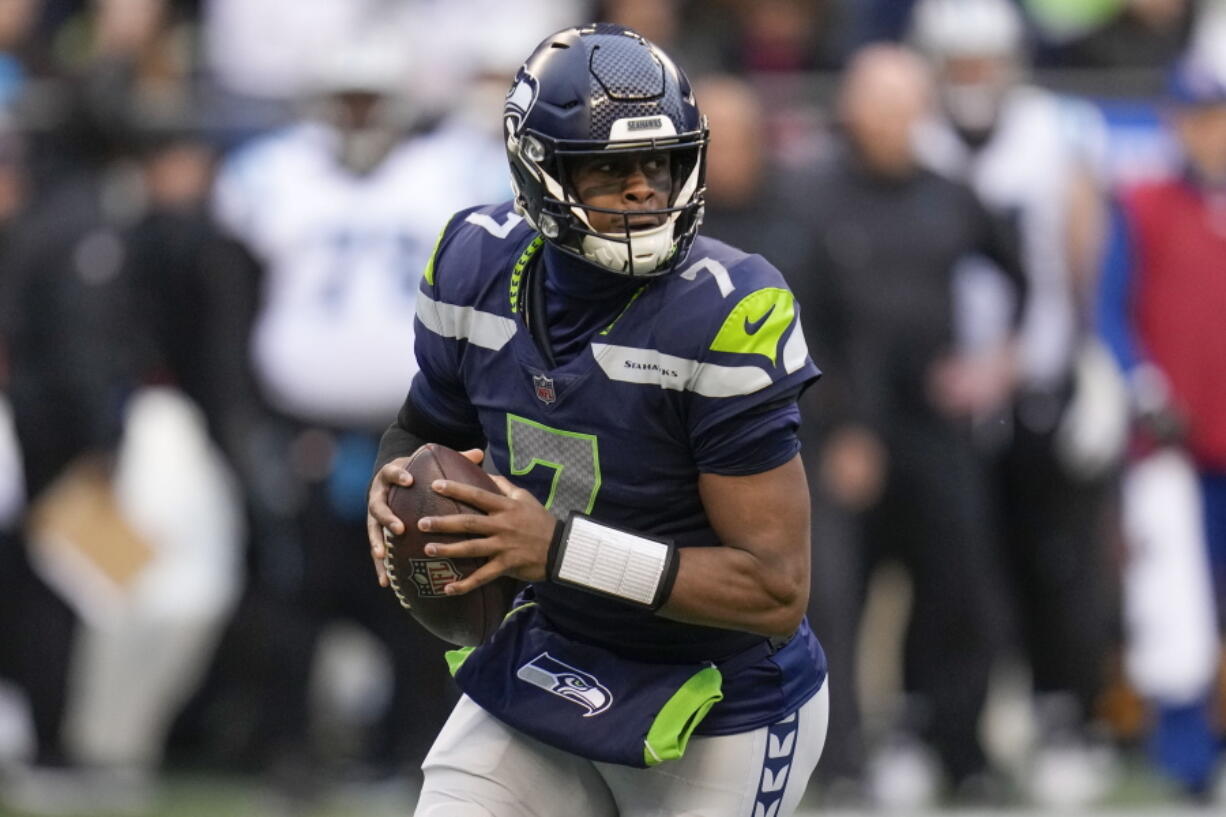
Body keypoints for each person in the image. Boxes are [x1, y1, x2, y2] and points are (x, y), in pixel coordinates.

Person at [366, 23, 829, 817]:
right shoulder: (473, 265)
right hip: (553, 656)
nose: (645, 188)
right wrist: (396, 479)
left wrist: (556, 548)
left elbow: (773, 587)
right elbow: (425, 429)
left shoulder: (724, 310)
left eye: (659, 162)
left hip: (717, 698)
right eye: (610, 169)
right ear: (537, 170)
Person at [788, 44, 1026, 806]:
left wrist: (997, 363)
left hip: (936, 422)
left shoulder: (951, 194)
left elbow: (1021, 277)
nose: (892, 121)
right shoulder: (811, 194)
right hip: (840, 425)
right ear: (851, 107)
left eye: (905, 105)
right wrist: (844, 419)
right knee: (836, 596)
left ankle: (959, 748)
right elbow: (795, 317)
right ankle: (840, 756)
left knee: (961, 585)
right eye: (878, 103)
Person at [911, 0, 1122, 805]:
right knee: (953, 569)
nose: (970, 79)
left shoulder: (1053, 135)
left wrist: (1084, 357)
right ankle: (940, 728)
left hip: (1036, 379)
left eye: (982, 61)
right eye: (957, 63)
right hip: (944, 390)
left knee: (1058, 562)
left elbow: (1085, 253)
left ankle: (1065, 715)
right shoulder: (919, 134)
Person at [1097, 53, 1226, 799]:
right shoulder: (1143, 201)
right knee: (1177, 597)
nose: (1208, 134)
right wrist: (1143, 386)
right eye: (1196, 118)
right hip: (1174, 439)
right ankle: (1185, 758)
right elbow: (1111, 308)